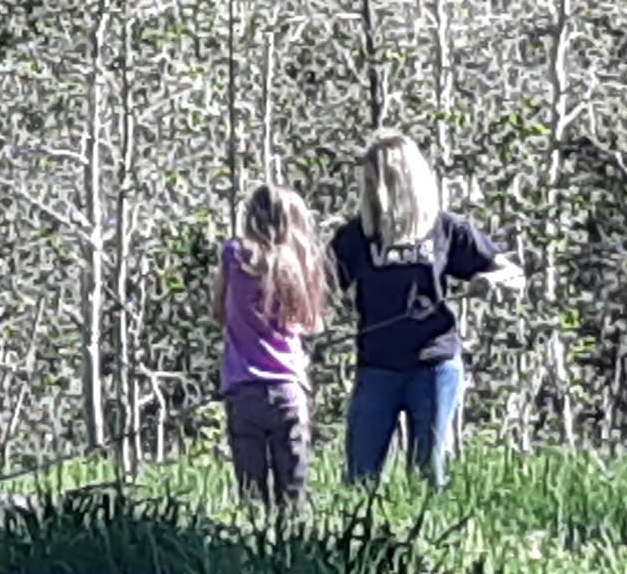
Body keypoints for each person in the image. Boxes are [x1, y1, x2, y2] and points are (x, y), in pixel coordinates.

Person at [328, 132, 521, 487]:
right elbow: (322, 286)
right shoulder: (356, 237)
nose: (373, 190)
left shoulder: (447, 229)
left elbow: (511, 273)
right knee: (360, 474)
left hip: (433, 365)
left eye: (379, 179)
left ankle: (425, 534)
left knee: (428, 471)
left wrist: (492, 281)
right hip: (377, 367)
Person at [217, 182, 330, 511]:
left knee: (252, 494)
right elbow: (311, 323)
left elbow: (218, 311)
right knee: (293, 492)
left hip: (243, 390)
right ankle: (293, 553)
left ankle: (252, 554)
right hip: (288, 390)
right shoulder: (299, 263)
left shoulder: (234, 255)